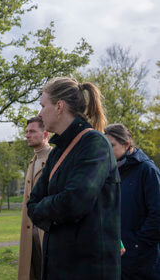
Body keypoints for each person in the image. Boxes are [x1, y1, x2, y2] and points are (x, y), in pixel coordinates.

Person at [27, 77, 121, 279]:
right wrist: (50, 207)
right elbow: (31, 204)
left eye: (43, 106)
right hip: (59, 267)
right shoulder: (57, 152)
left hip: (89, 269)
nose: (39, 113)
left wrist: (45, 208)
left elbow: (74, 202)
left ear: (59, 106)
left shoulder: (94, 144)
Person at [104, 123, 160, 280]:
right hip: (115, 260)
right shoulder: (109, 172)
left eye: (112, 146)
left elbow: (157, 215)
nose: (107, 151)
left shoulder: (147, 170)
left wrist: (136, 248)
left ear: (126, 144)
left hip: (143, 263)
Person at [18, 117, 52, 280]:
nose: (27, 135)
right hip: (30, 238)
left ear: (45, 134)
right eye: (26, 132)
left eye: (32, 131)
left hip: (48, 236)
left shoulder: (55, 159)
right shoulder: (33, 162)